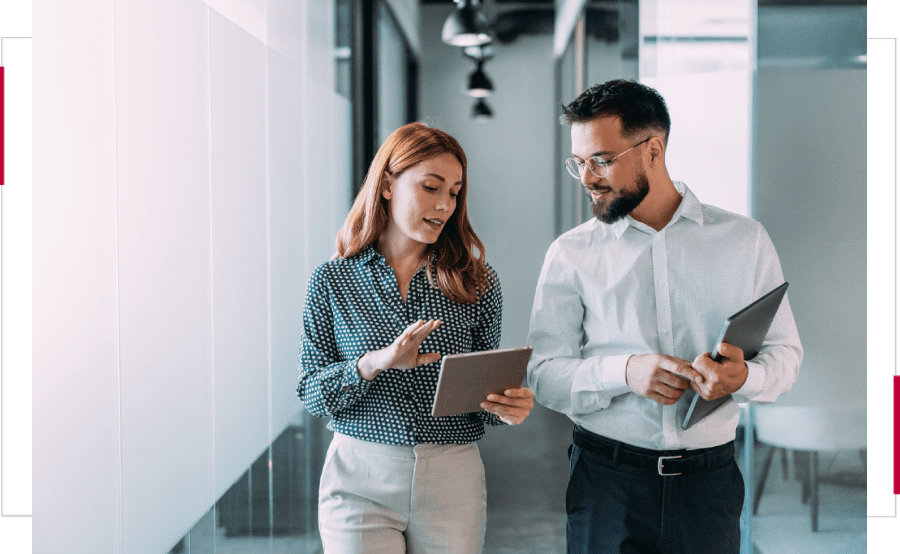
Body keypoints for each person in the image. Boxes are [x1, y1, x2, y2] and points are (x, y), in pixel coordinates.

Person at [526, 79, 802, 554]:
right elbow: (543, 376)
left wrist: (742, 378)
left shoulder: (744, 240)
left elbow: (786, 356)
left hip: (709, 485)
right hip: (607, 485)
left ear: (653, 150)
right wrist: (626, 372)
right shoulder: (571, 254)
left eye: (602, 160)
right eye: (579, 163)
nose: (588, 177)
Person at [297, 121, 534, 554]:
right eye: (431, 187)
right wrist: (374, 363)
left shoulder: (477, 283)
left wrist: (507, 408)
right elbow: (313, 394)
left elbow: (483, 403)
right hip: (358, 474)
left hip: (452, 478)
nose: (445, 205)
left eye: (455, 192)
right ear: (388, 184)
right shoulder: (332, 280)